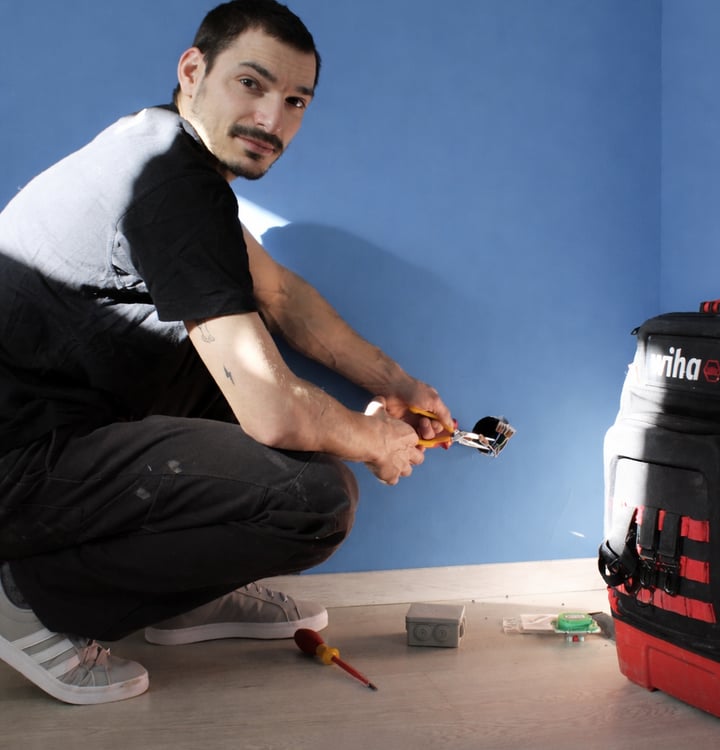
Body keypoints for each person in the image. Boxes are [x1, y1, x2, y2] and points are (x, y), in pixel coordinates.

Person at [0, 0, 452, 705]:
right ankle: (26, 599)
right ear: (193, 70)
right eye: (252, 84)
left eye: (295, 100)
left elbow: (279, 296)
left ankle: (181, 599)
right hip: (18, 460)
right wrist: (374, 440)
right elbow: (273, 412)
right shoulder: (170, 187)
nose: (272, 120)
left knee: (228, 349)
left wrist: (396, 382)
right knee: (315, 500)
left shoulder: (159, 150)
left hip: (58, 424)